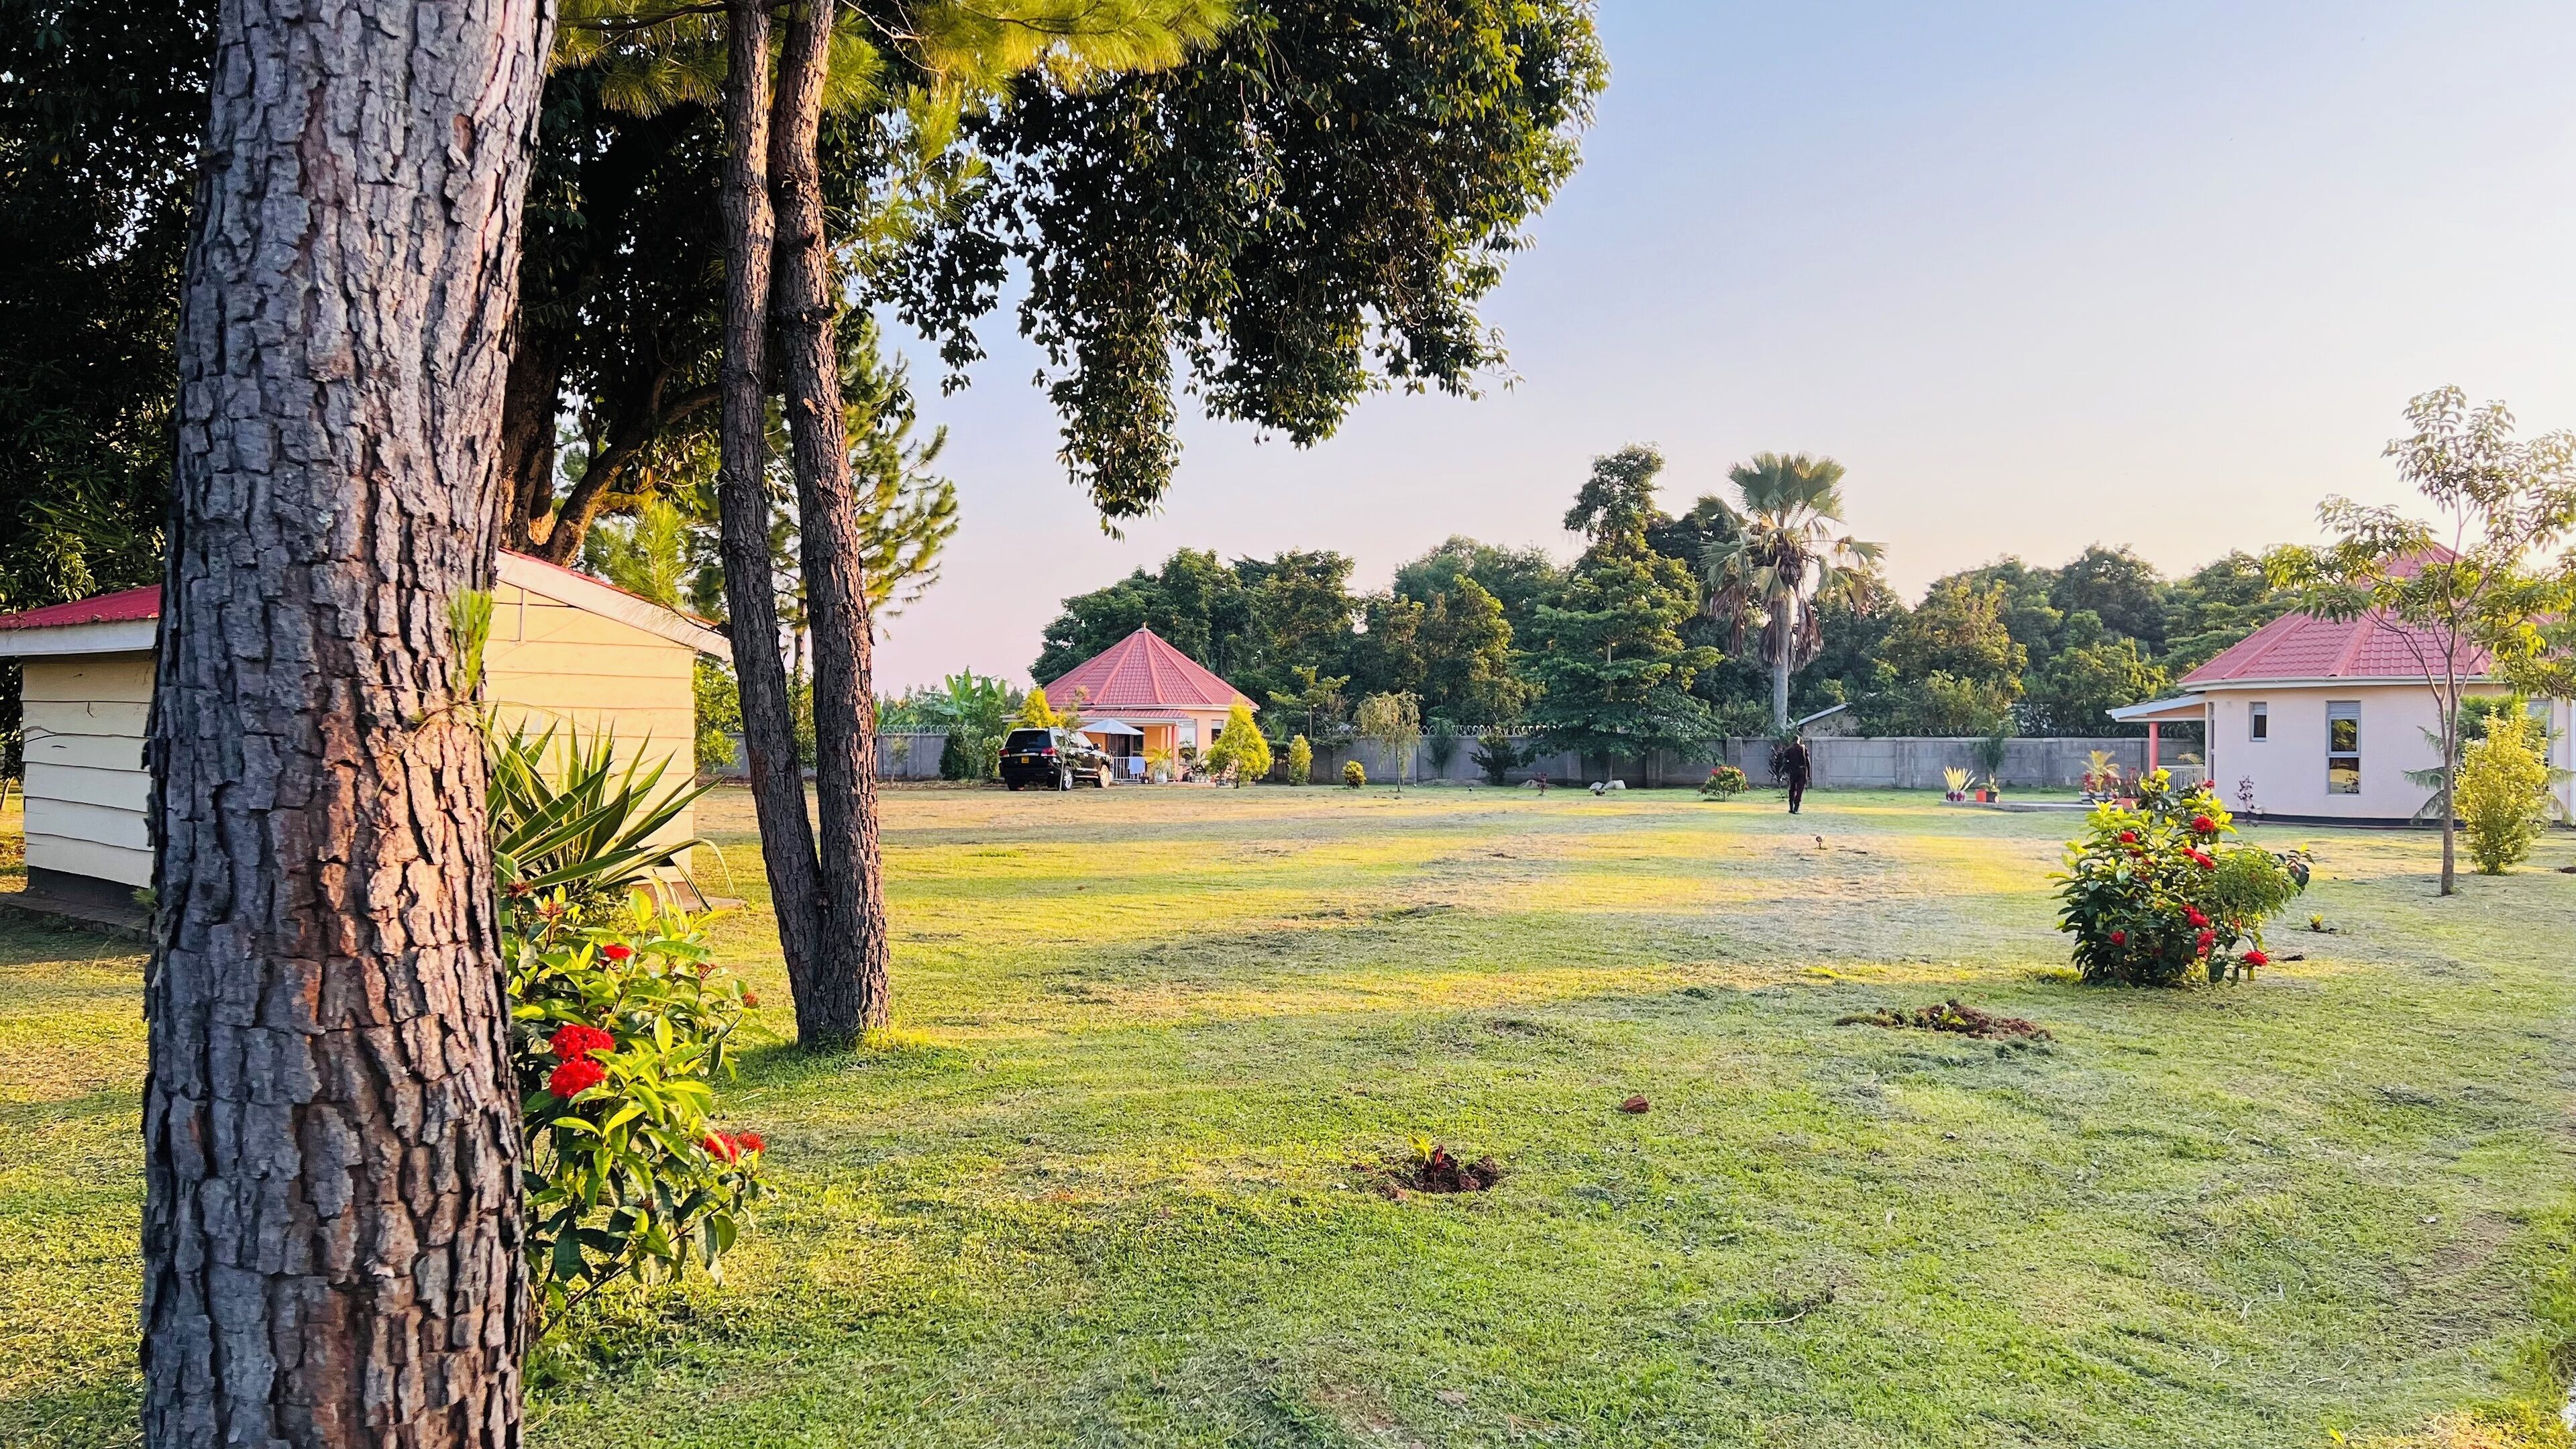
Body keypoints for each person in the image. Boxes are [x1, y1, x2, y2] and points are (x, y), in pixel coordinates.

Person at [1780, 735, 1812, 814]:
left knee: (1792, 789)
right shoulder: (1803, 749)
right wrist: (1809, 773)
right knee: (1799, 790)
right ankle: (1796, 808)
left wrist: (1788, 768)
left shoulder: (1789, 750)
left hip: (1793, 771)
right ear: (1799, 740)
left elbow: (1784, 761)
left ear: (1793, 741)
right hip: (1801, 771)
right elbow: (1808, 762)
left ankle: (1791, 808)